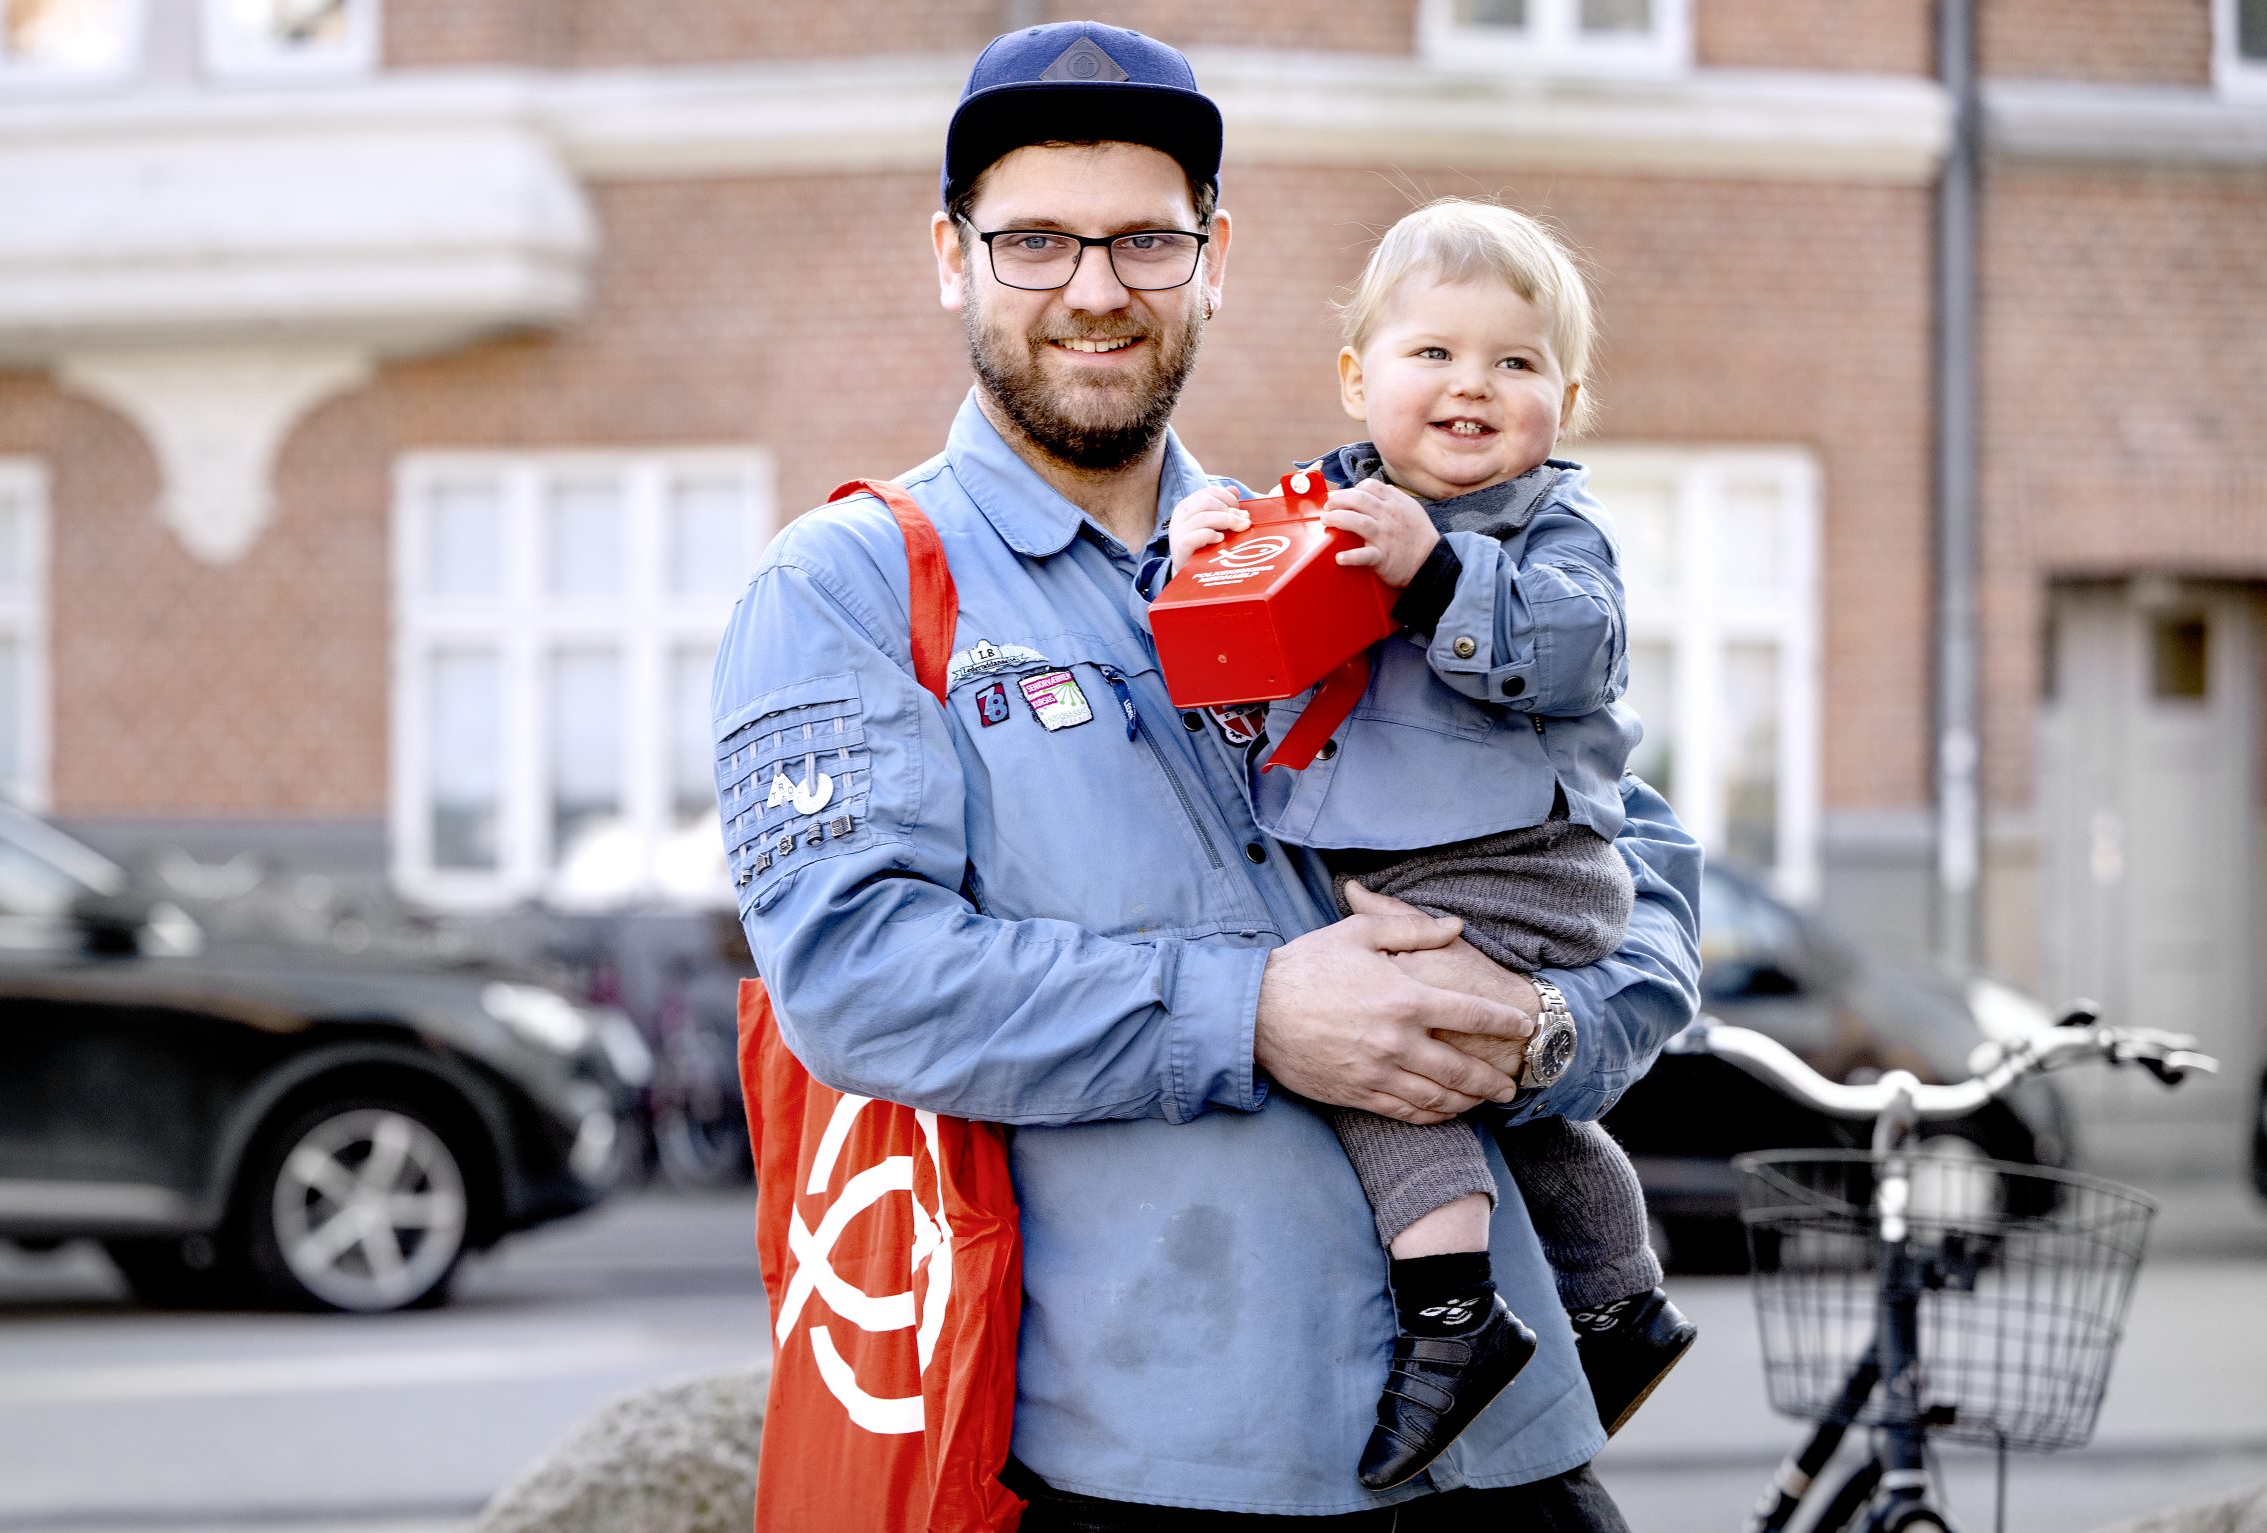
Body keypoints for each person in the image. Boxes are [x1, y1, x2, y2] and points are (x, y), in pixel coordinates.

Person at [711, 19, 1701, 1527]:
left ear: (1213, 260)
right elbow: (859, 977)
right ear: (953, 256)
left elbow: (1639, 859)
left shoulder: (1348, 534)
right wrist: (1256, 1011)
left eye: (1146, 241)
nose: (1096, 289)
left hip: (1511, 1461)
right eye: (1036, 239)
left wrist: (1550, 1027)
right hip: (1161, 1469)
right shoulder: (847, 585)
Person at [1159, 198, 1695, 1490]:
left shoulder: (1548, 527)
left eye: (1515, 363)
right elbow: (1237, 637)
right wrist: (1186, 560)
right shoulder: (1327, 498)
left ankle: (1456, 1317)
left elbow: (1581, 645)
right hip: (1434, 866)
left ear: (1566, 398)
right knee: (1489, 1094)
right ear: (1358, 379)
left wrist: (1439, 572)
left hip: (1522, 865)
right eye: (1433, 354)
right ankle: (1623, 1301)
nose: (1472, 387)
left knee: (1369, 1047)